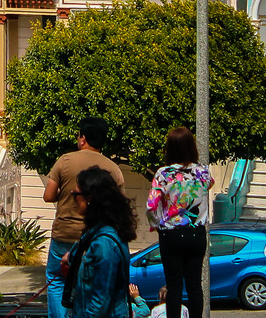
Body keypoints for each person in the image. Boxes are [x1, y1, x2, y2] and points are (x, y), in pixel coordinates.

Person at [44, 117, 126, 318]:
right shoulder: (113, 168)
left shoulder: (65, 160)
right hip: (92, 233)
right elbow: (120, 203)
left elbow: (48, 196)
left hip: (65, 231)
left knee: (57, 282)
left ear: (83, 139)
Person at [146, 128, 212, 318]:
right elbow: (210, 183)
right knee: (194, 284)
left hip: (171, 234)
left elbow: (151, 205)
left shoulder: (163, 174)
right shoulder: (202, 172)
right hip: (196, 233)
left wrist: (156, 224)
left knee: (174, 285)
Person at [64, 165, 139, 318]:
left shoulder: (105, 244)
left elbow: (101, 302)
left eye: (75, 194)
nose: (74, 199)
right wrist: (70, 258)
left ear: (90, 198)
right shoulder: (97, 233)